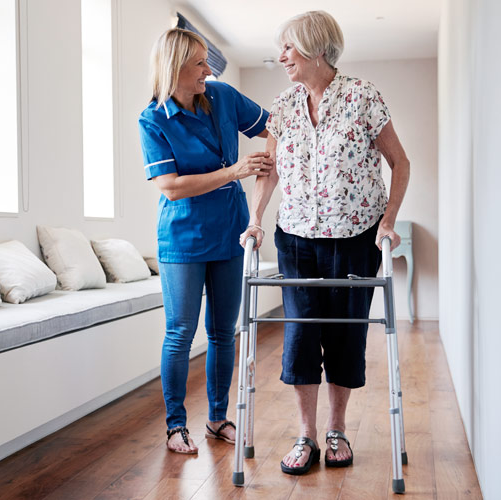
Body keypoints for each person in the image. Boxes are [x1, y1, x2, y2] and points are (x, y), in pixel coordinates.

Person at [240, 11, 410, 475]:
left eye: (288, 48)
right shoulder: (285, 104)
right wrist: (255, 218)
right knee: (299, 334)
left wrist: (388, 222)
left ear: (316, 49)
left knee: (346, 332)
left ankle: (337, 430)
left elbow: (400, 162)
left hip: (355, 237)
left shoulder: (363, 97)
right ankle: (307, 436)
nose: (281, 57)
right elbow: (270, 169)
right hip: (296, 238)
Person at [139, 28, 272, 455]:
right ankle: (175, 425)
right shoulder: (153, 119)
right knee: (180, 332)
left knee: (222, 332)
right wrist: (234, 171)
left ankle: (217, 419)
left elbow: (275, 126)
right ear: (174, 68)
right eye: (198, 62)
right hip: (183, 238)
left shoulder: (223, 96)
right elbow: (171, 186)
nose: (207, 69)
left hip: (231, 230)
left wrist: (267, 185)